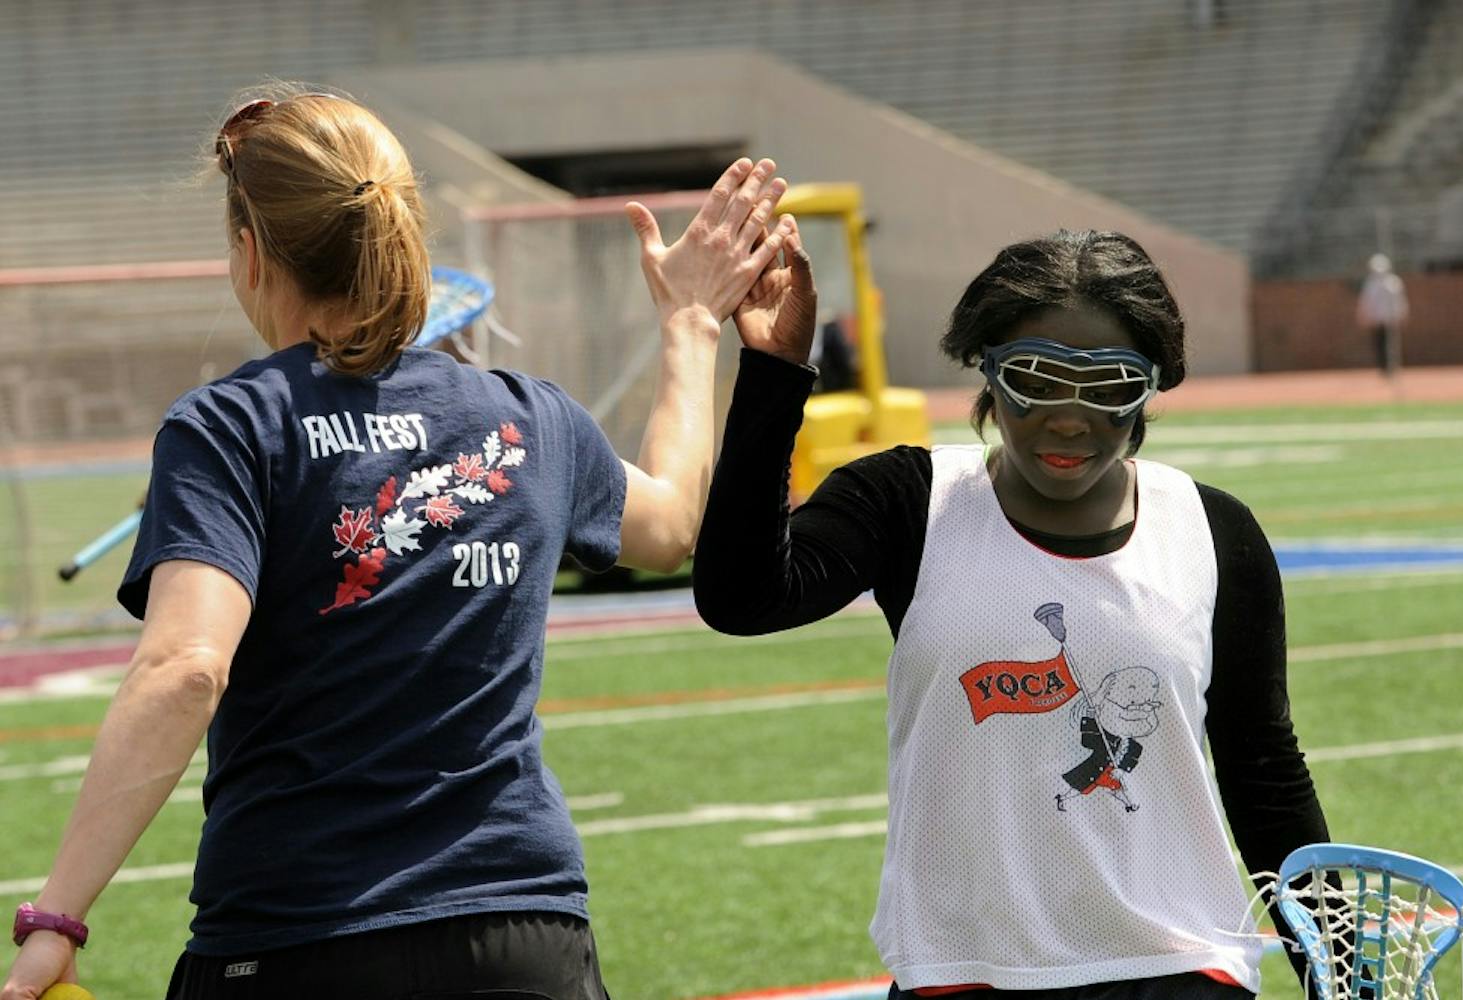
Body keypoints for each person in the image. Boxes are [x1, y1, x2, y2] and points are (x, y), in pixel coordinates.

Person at [2, 86, 797, 1000]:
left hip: (295, 938)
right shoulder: (530, 416)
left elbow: (186, 668)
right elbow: (669, 526)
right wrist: (691, 325)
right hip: (524, 936)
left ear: (251, 253)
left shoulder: (229, 427)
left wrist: (57, 917)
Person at [694, 230, 1334, 998]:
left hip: (1177, 970)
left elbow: (1264, 774)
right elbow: (741, 599)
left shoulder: (1214, 530)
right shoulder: (909, 502)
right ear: (988, 370)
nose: (1068, 418)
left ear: (1150, 387)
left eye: (1108, 384)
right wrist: (773, 373)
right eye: (1038, 377)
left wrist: (1342, 972)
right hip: (959, 973)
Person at [1356, 252, 1409, 376]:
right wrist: (1364, 316)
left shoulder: (1393, 282)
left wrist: (1402, 314)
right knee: (1381, 344)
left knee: (1389, 344)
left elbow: (1400, 301)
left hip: (1389, 319)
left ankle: (1390, 367)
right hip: (1379, 320)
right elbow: (1366, 303)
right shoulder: (1372, 283)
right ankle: (1385, 367)